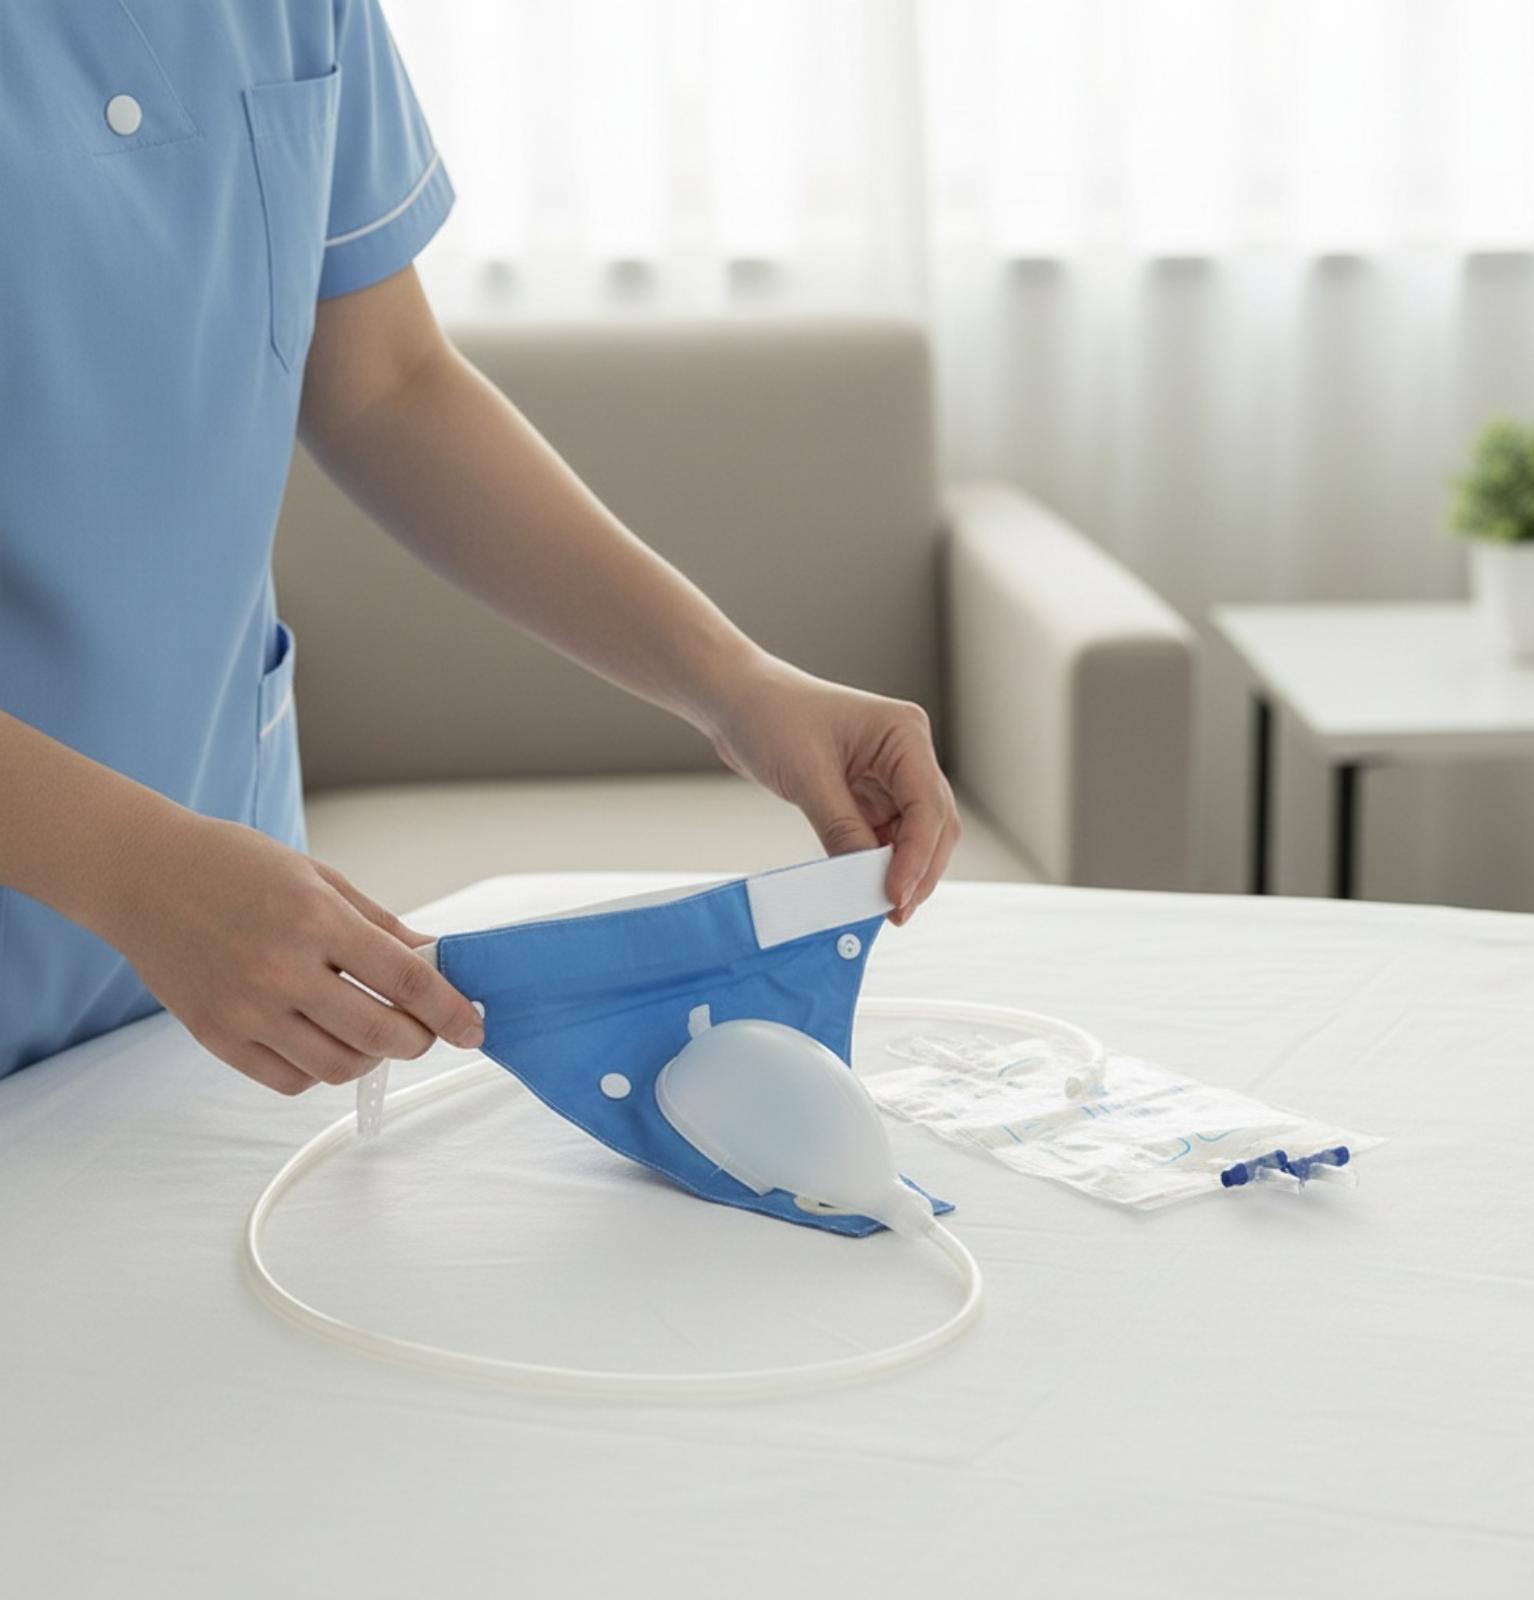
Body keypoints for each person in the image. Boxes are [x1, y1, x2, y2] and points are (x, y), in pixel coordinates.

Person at [0, 0, 960, 1091]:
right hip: (156, 912)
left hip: (220, 977)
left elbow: (386, 383)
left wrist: (739, 687)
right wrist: (135, 870)